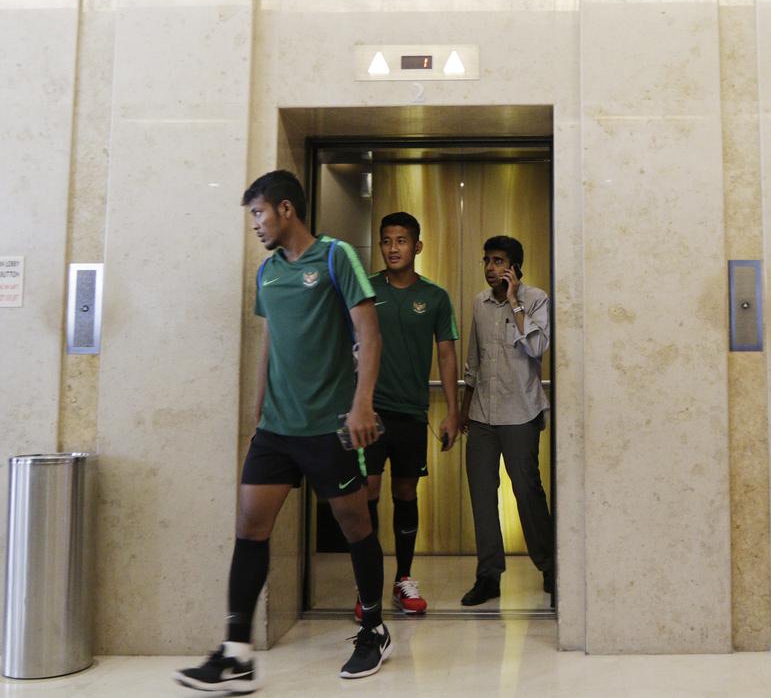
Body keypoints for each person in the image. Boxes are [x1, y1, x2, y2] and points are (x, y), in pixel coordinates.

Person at [175, 170, 391, 693]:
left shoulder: (337, 256)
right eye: (252, 214)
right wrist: (258, 404)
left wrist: (362, 404)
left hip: (329, 426)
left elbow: (369, 331)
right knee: (250, 527)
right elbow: (270, 339)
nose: (255, 224)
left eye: (259, 213)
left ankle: (373, 628)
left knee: (354, 523)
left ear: (286, 209)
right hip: (276, 429)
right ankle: (237, 653)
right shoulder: (267, 272)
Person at [356, 211, 461, 618]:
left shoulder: (435, 297)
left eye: (401, 240)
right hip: (369, 410)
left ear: (417, 246)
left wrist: (453, 412)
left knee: (404, 493)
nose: (393, 247)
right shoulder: (365, 289)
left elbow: (447, 353)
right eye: (386, 240)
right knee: (367, 491)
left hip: (412, 413)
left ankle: (403, 579)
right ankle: (366, 587)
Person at [459, 235, 555, 606]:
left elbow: (536, 347)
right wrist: (464, 409)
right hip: (482, 414)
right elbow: (474, 360)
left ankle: (549, 566)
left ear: (515, 267)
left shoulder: (536, 299)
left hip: (521, 413)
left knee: (527, 492)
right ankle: (488, 576)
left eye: (499, 261)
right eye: (487, 261)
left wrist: (515, 303)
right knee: (482, 496)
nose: (490, 268)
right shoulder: (479, 304)